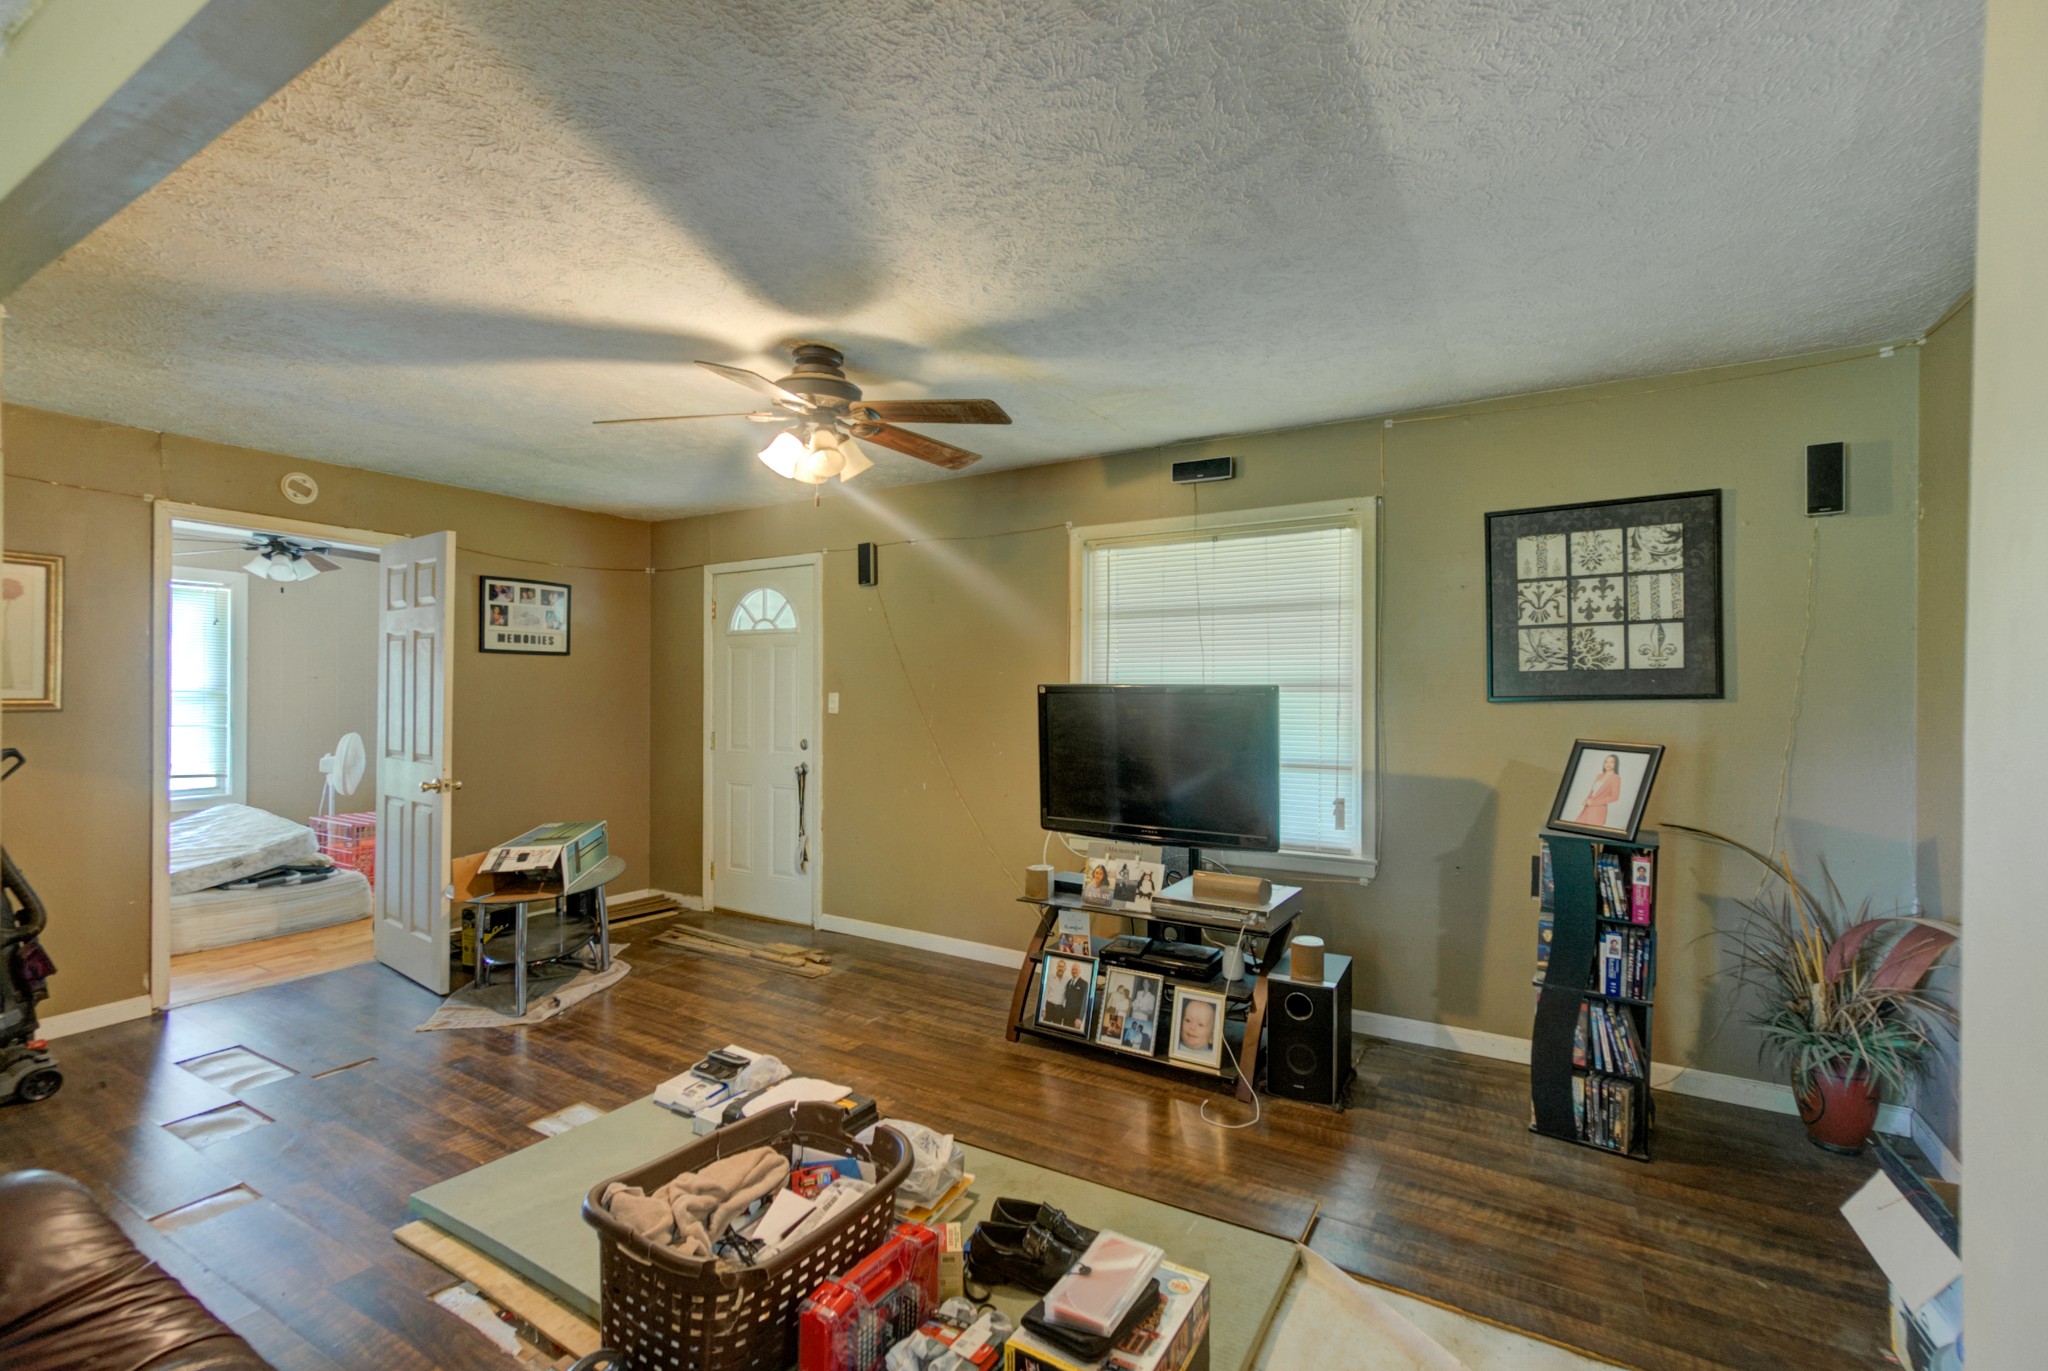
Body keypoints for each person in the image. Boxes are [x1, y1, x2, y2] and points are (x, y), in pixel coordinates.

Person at [1574, 754, 1624, 827]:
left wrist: (1593, 802)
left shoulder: (1616, 778)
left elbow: (1614, 797)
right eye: (1606, 762)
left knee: (1591, 831)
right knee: (1578, 827)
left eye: (1612, 762)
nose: (1608, 764)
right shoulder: (1599, 776)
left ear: (1616, 764)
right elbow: (1593, 791)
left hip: (1598, 809)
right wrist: (1586, 799)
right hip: (1588, 807)